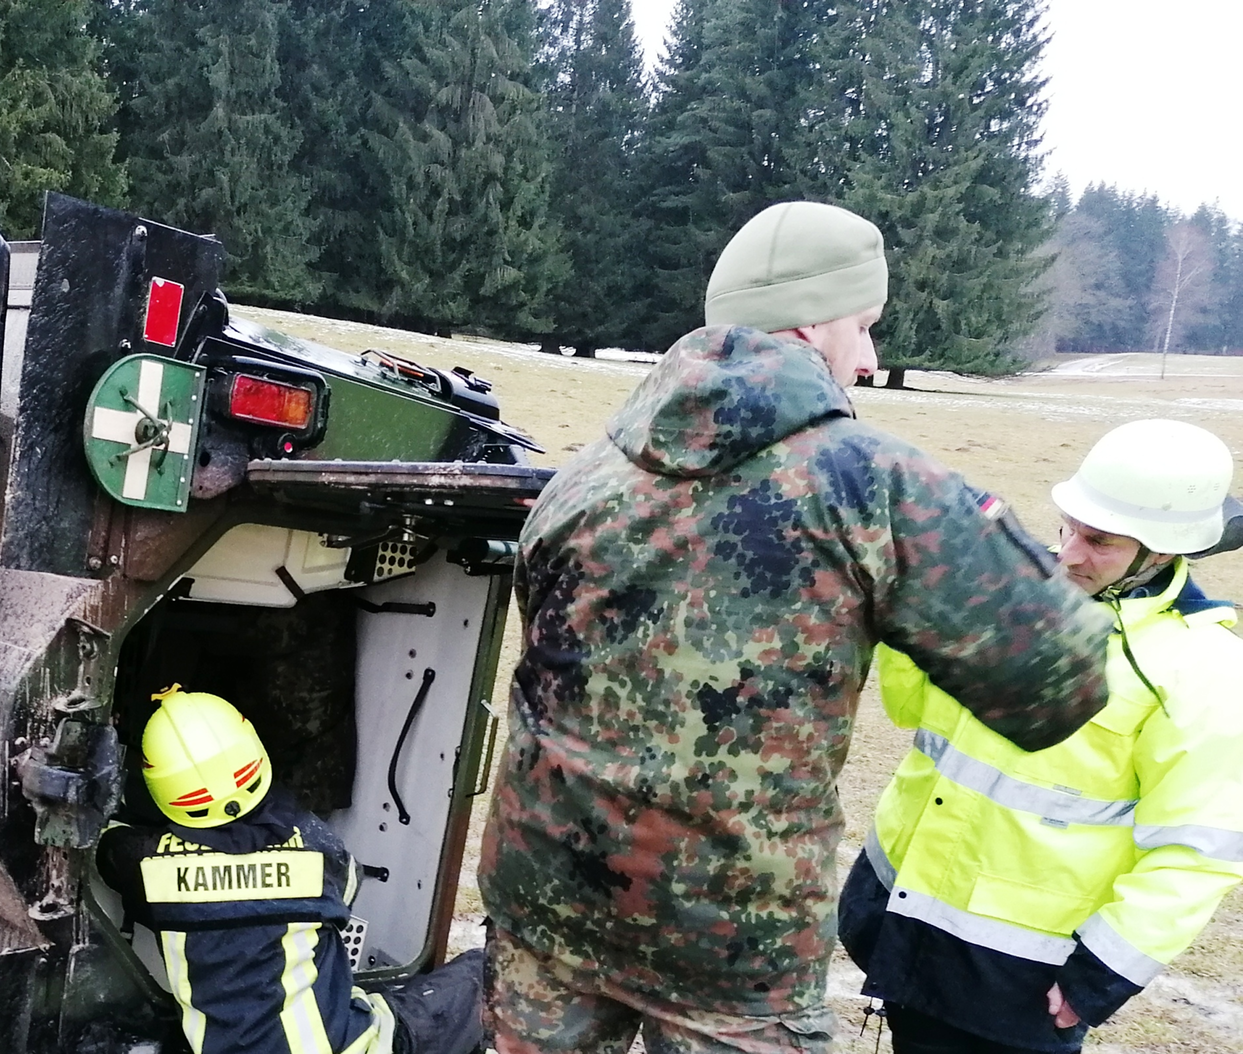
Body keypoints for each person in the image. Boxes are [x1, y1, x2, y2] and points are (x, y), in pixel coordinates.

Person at [477, 199, 1113, 1054]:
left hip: (541, 896)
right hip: (732, 948)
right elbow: (1059, 679)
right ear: (816, 322)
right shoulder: (869, 484)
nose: (871, 356)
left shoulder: (588, 470)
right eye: (865, 325)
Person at [839, 418, 1243, 1053]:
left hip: (1020, 976)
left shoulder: (1204, 670)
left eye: (1101, 541)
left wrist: (1101, 976)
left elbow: (1196, 852)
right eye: (1070, 527)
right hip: (902, 916)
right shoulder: (1017, 600)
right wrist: (921, 615)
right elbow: (911, 711)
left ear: (1163, 551)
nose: (1071, 552)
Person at [97, 686, 485, 1054]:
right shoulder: (315, 846)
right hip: (354, 1046)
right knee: (484, 974)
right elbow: (347, 891)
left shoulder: (148, 867)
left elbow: (104, 842)